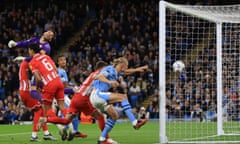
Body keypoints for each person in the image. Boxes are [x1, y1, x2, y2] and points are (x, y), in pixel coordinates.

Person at [90, 57, 148, 144]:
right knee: (123, 97)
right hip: (97, 94)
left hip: (98, 98)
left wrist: (138, 69)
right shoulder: (110, 69)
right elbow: (100, 76)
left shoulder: (116, 73)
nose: (127, 68)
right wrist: (110, 82)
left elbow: (127, 71)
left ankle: (101, 139)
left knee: (115, 116)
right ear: (122, 64)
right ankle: (135, 122)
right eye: (126, 66)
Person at [28, 43, 70, 130]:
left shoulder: (32, 62)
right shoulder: (46, 56)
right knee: (62, 107)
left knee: (48, 111)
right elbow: (56, 70)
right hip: (58, 81)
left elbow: (38, 78)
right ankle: (67, 121)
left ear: (31, 50)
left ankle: (50, 120)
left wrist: (37, 87)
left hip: (49, 84)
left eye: (29, 50)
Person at [17, 58, 57, 141]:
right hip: (26, 91)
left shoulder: (24, 66)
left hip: (23, 91)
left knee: (41, 110)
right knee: (38, 110)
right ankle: (34, 136)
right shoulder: (28, 64)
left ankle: (46, 134)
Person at [56, 54, 87, 140]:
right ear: (58, 62)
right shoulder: (61, 72)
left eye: (64, 60)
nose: (63, 61)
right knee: (73, 112)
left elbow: (65, 86)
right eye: (61, 60)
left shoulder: (62, 71)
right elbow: (64, 87)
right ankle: (64, 129)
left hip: (62, 96)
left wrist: (73, 87)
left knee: (69, 113)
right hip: (62, 96)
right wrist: (74, 89)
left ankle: (68, 130)